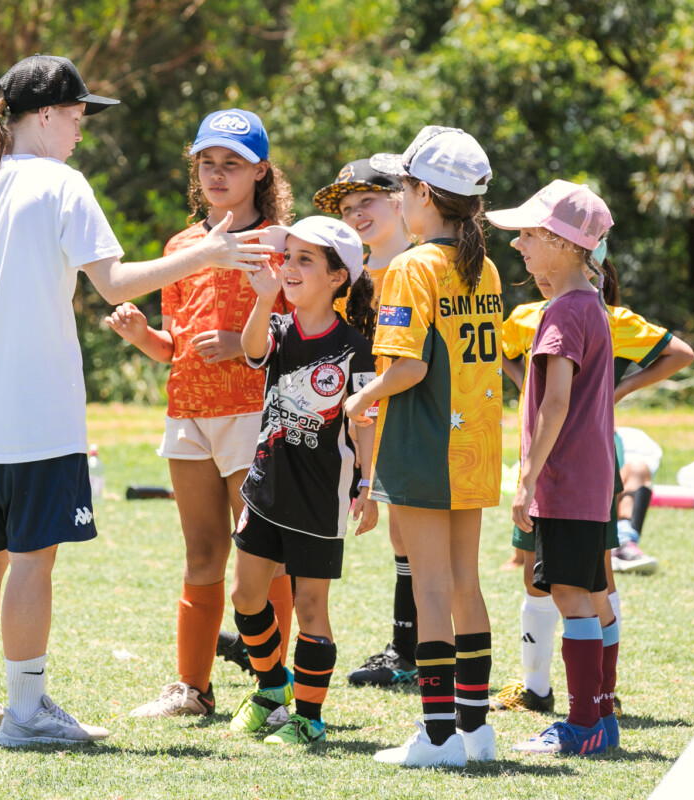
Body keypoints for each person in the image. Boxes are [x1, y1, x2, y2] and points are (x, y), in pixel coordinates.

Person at [0, 55, 271, 748]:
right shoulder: (62, 185)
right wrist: (207, 256)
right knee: (33, 557)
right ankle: (26, 712)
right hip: (40, 411)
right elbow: (115, 284)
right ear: (45, 116)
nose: (81, 131)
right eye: (76, 117)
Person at [104, 108, 297, 720]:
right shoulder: (182, 248)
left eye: (232, 164)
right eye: (207, 163)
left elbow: (308, 333)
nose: (217, 174)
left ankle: (276, 690)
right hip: (187, 414)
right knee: (202, 555)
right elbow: (174, 347)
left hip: (253, 413)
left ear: (260, 171)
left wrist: (245, 345)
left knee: (263, 557)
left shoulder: (281, 244)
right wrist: (143, 337)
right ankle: (193, 689)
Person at [344, 126, 502, 768]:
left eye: (402, 186)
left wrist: (360, 398)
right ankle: (476, 731)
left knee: (432, 588)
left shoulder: (411, 267)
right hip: (477, 441)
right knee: (465, 583)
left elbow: (405, 369)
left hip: (425, 444)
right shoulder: (483, 263)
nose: (397, 198)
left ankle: (437, 736)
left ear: (425, 194)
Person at [490, 253, 693, 718]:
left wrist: (618, 390)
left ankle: (599, 697)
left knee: (589, 578)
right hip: (546, 457)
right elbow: (496, 348)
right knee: (539, 572)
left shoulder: (606, 317)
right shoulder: (529, 316)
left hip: (580, 458)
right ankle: (539, 687)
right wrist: (526, 384)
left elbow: (680, 353)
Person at [226, 216, 379, 745]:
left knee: (311, 606)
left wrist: (367, 485)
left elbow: (365, 422)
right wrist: (263, 299)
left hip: (322, 495)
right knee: (245, 596)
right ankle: (272, 688)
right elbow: (250, 353)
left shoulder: (356, 347)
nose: (289, 268)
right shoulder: (279, 328)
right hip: (266, 484)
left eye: (304, 260)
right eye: (286, 257)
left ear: (338, 278)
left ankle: (308, 721)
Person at [488, 180, 618, 756]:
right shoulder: (590, 305)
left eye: (528, 236)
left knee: (568, 595)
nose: (518, 245)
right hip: (592, 480)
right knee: (588, 594)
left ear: (564, 245)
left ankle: (584, 723)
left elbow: (556, 403)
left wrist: (526, 477)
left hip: (565, 481)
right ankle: (601, 717)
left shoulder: (563, 313)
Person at [314, 160, 420, 687]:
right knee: (396, 535)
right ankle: (410, 648)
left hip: (414, 415)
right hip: (360, 420)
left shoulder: (424, 264)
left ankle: (411, 650)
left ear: (401, 199)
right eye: (347, 208)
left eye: (367, 202)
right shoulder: (350, 278)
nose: (356, 215)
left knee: (410, 534)